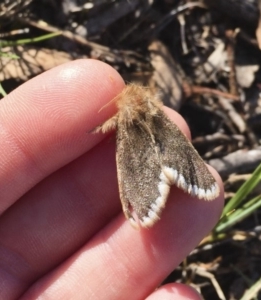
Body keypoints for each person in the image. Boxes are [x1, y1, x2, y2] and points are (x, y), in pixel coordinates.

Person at [0, 59, 223, 299]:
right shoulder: (153, 109)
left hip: (143, 141)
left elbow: (111, 125)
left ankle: (156, 196)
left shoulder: (125, 116)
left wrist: (100, 128)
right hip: (163, 132)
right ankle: (178, 184)